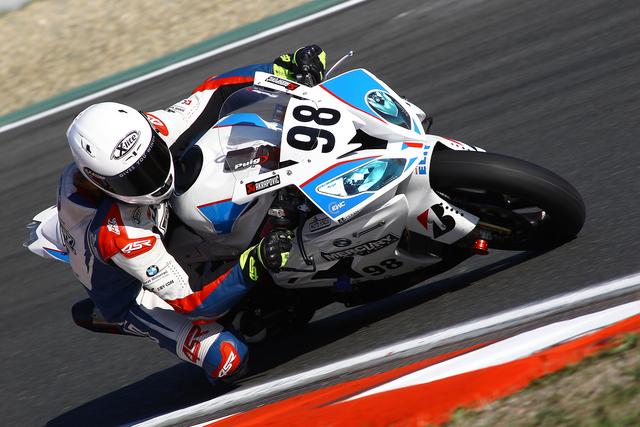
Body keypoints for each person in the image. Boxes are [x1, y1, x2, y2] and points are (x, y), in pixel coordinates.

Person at [57, 46, 326, 383]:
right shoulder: (119, 234)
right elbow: (193, 304)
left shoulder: (152, 129)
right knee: (227, 359)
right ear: (102, 182)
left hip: (163, 220)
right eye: (133, 179)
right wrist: (254, 263)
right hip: (133, 293)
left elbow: (215, 92)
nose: (153, 179)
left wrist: (280, 71)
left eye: (153, 158)